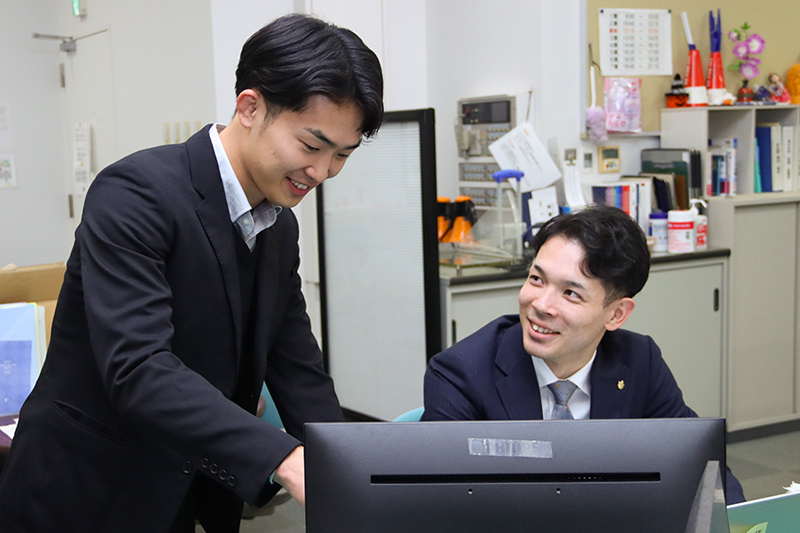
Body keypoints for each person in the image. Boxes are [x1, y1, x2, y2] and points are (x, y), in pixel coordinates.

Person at [0, 13, 383, 532]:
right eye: (312, 146)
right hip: (84, 489)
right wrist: (285, 458)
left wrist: (346, 466)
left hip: (186, 484)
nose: (321, 172)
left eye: (342, 155)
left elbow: (296, 365)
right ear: (250, 107)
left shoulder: (279, 225)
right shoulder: (135, 194)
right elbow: (139, 367)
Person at [422, 205, 745, 504]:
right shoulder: (460, 374)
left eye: (570, 293)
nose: (540, 305)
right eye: (536, 279)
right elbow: (443, 506)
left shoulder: (639, 361)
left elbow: (704, 471)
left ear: (616, 314)